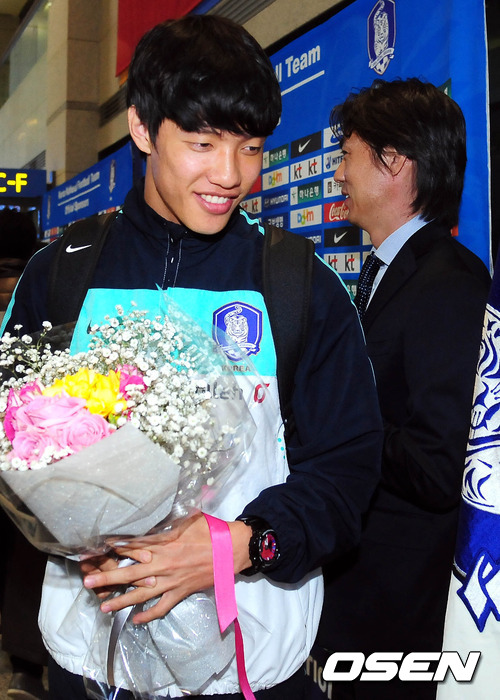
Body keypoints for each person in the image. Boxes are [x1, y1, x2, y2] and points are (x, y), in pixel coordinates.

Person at [1, 16, 383, 700]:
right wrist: (72, 524)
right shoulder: (62, 275)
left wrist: (243, 544)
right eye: (202, 144)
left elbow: (348, 468)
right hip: (90, 660)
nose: (229, 175)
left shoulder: (298, 285)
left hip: (251, 662)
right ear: (143, 129)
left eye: (250, 148)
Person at [315, 78, 491, 699]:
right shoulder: (388, 272)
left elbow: (439, 464)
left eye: (348, 155)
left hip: (401, 612)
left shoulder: (450, 285)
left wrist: (337, 429)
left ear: (396, 162)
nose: (338, 173)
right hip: (362, 594)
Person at [0, 209, 48, 700]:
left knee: (26, 552)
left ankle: (25, 665)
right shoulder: (39, 278)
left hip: (29, 443)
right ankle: (24, 664)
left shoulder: (40, 286)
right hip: (26, 445)